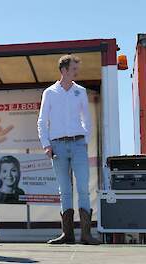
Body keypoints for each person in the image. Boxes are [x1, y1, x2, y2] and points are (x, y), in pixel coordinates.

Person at [37, 54, 100, 245]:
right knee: (64, 190)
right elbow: (42, 121)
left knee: (83, 188)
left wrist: (84, 141)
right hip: (57, 146)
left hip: (78, 144)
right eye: (73, 69)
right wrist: (46, 144)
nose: (76, 72)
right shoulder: (49, 92)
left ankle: (87, 235)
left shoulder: (80, 91)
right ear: (63, 70)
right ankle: (68, 234)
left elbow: (86, 119)